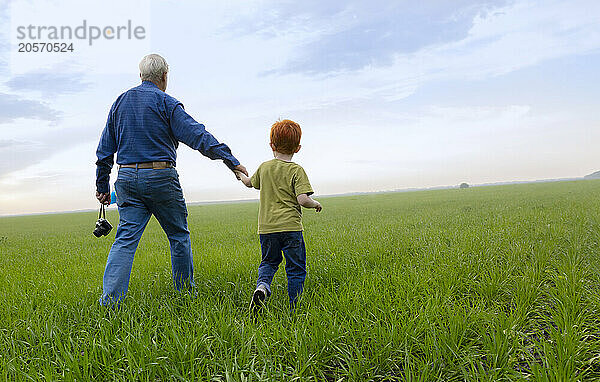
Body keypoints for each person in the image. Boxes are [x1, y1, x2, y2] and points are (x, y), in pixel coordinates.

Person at [95, 53, 247, 305]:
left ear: (141, 76)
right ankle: (185, 296)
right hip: (160, 177)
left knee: (125, 241)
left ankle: (110, 303)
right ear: (164, 76)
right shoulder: (167, 102)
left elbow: (104, 151)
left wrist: (102, 186)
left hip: (127, 179)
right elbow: (198, 135)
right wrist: (230, 160)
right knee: (178, 236)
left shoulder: (119, 103)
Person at [236, 119, 322, 310]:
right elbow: (303, 200)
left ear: (271, 145)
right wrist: (315, 203)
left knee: (269, 262)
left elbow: (249, 183)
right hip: (291, 228)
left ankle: (263, 286)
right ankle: (295, 306)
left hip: (267, 229)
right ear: (298, 148)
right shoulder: (297, 170)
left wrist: (239, 173)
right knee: (295, 268)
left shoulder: (265, 167)